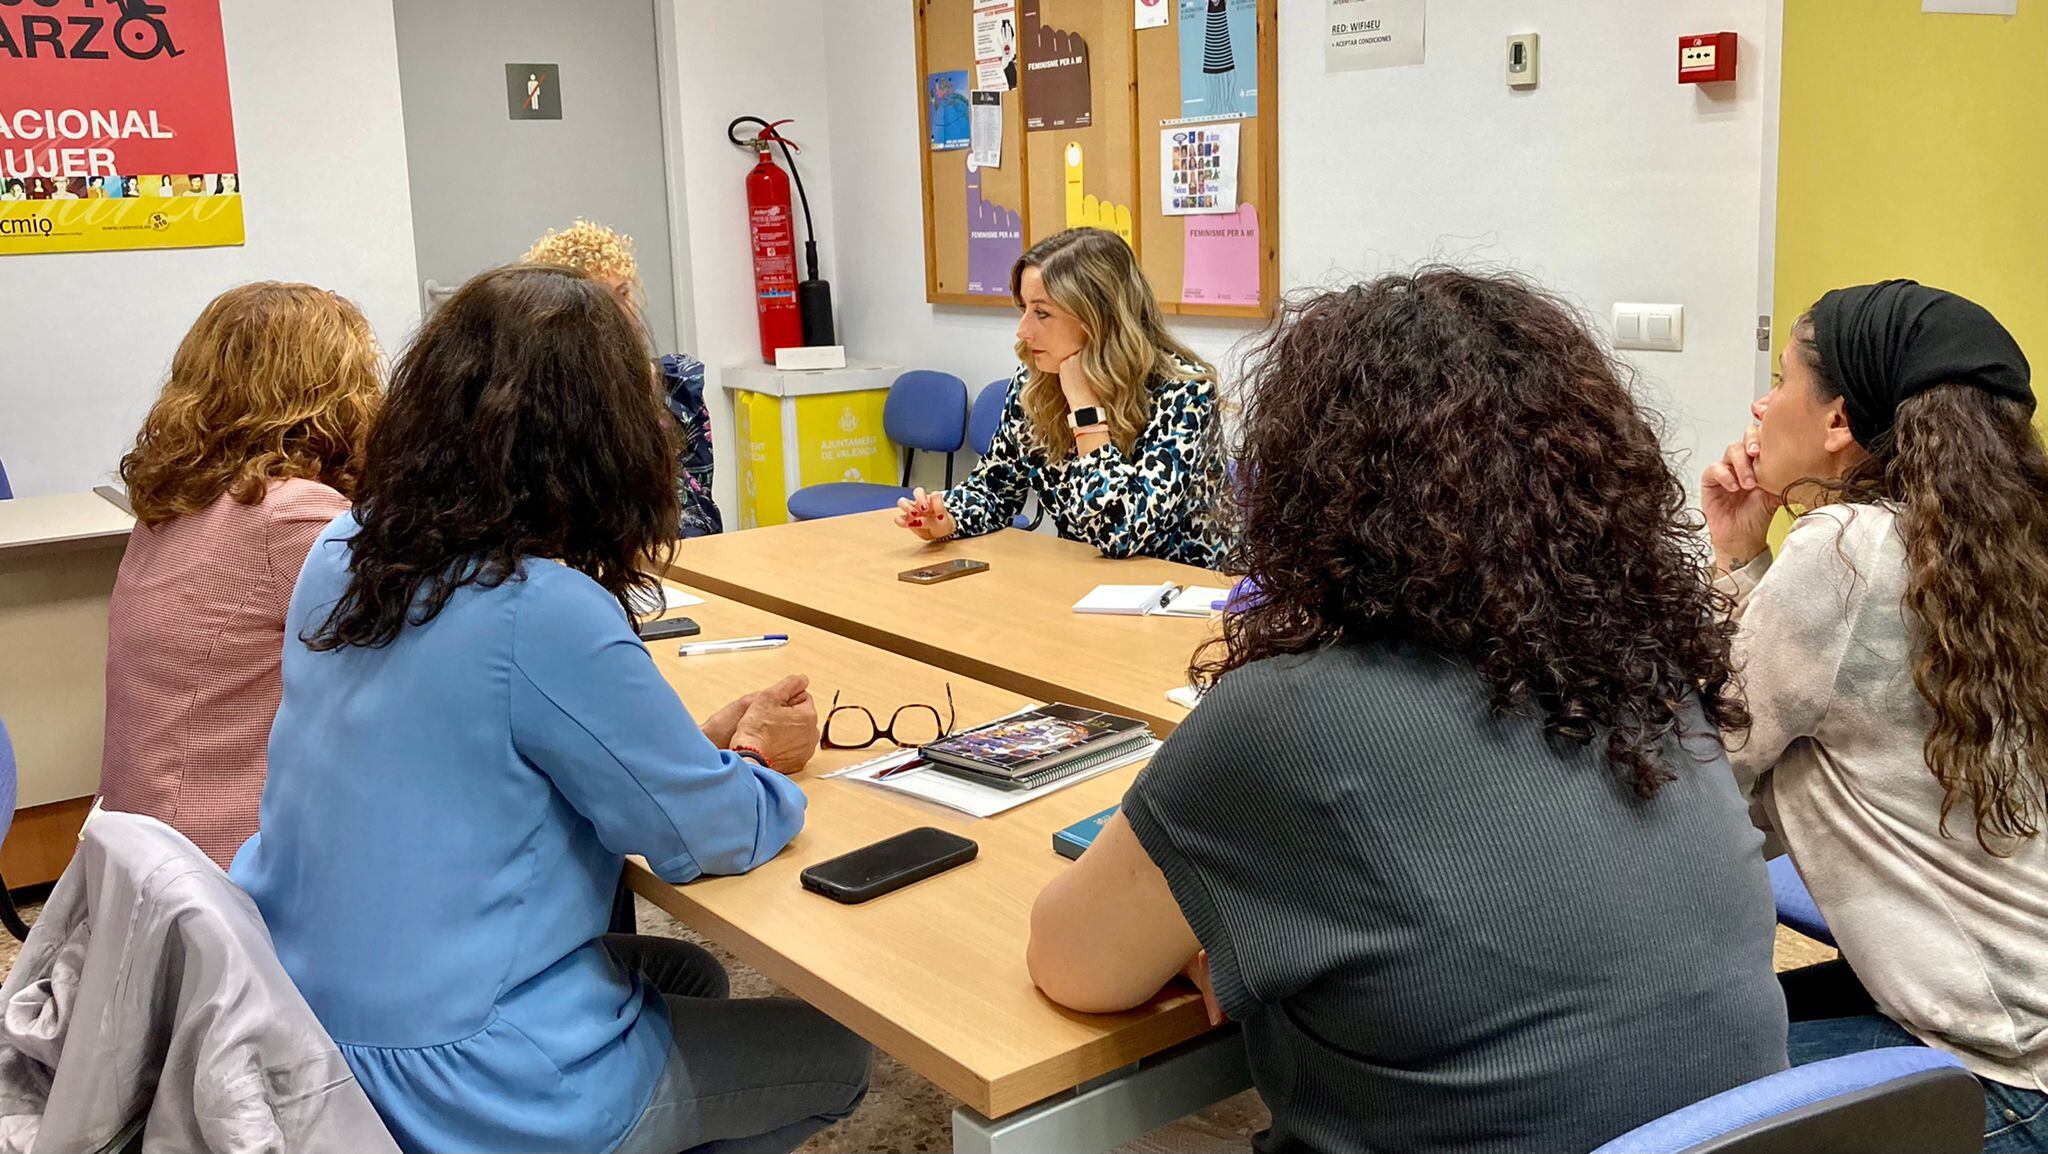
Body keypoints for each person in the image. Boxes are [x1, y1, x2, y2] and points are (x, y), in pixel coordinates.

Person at [1029, 269, 1788, 1154]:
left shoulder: (1288, 719)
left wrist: (1226, 932)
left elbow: (1072, 966)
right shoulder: (1644, 666)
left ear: (1316, 488)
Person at [231, 265, 869, 1154]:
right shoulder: (542, 606)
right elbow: (704, 838)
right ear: (603, 436)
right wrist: (760, 764)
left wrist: (685, 749)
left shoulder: (344, 547)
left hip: (302, 1015)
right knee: (838, 1057)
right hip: (460, 1073)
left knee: (684, 972)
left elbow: (480, 749)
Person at [1701, 279, 2047, 1151]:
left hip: (1996, 1077)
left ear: (1838, 422)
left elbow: (1704, 766)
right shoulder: (2000, 558)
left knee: (1658, 1081)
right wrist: (1749, 558)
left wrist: (1729, 558)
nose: (1760, 402)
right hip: (2024, 1019)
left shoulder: (1845, 554)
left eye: (1780, 378)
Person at [100, 283, 382, 869]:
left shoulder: (177, 503)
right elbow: (434, 635)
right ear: (331, 394)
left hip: (145, 852)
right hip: (225, 871)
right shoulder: (289, 514)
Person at [896, 228, 1225, 566]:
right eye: (1023, 308)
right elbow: (994, 489)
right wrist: (949, 519)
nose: (1023, 330)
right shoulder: (1035, 385)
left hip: (1179, 592)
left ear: (1099, 318)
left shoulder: (1184, 392)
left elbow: (1121, 533)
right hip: (1085, 580)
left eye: (1042, 313)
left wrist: (1084, 409)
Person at [524, 218, 723, 537]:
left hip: (674, 558)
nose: (624, 313)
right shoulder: (542, 404)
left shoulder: (676, 386)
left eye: (623, 293)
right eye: (603, 302)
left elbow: (699, 510)